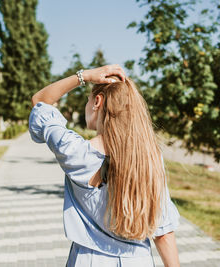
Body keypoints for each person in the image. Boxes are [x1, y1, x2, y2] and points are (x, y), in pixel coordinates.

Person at [28, 64, 180, 267]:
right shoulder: (150, 158)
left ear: (97, 102)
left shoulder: (75, 151)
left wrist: (85, 76)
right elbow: (163, 233)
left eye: (88, 100)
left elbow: (40, 101)